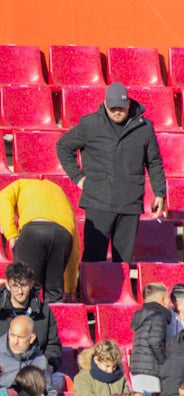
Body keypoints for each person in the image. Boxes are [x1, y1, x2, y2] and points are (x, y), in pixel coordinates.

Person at [57, 82, 165, 263]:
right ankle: (90, 292)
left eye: (121, 108)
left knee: (123, 261)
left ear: (129, 104)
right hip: (98, 201)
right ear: (105, 104)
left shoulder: (144, 128)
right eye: (113, 108)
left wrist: (160, 193)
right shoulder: (90, 124)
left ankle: (120, 292)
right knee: (93, 258)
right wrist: (78, 178)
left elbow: (154, 162)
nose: (117, 112)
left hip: (130, 202)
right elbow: (63, 146)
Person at [0, 178, 80, 304]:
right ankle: (53, 320)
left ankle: (26, 321)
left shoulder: (20, 185)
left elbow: (2, 199)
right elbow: (75, 248)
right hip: (63, 235)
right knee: (54, 294)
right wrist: (70, 289)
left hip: (33, 231)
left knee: (24, 287)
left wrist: (11, 235)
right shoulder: (59, 192)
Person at [0, 261, 61, 372]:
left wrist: (50, 366)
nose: (20, 291)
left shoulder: (44, 312)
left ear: (31, 284)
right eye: (14, 286)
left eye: (23, 285)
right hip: (2, 370)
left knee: (60, 381)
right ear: (8, 286)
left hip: (36, 370)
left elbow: (52, 345)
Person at [132, 282, 172, 396]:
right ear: (162, 299)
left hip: (138, 368)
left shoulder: (142, 315)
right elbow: (154, 341)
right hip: (150, 369)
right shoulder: (159, 317)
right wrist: (165, 362)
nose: (169, 303)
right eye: (168, 298)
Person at [0, 314, 50, 390]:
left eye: (20, 337)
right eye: (12, 335)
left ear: (31, 338)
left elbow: (50, 391)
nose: (15, 341)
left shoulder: (40, 360)